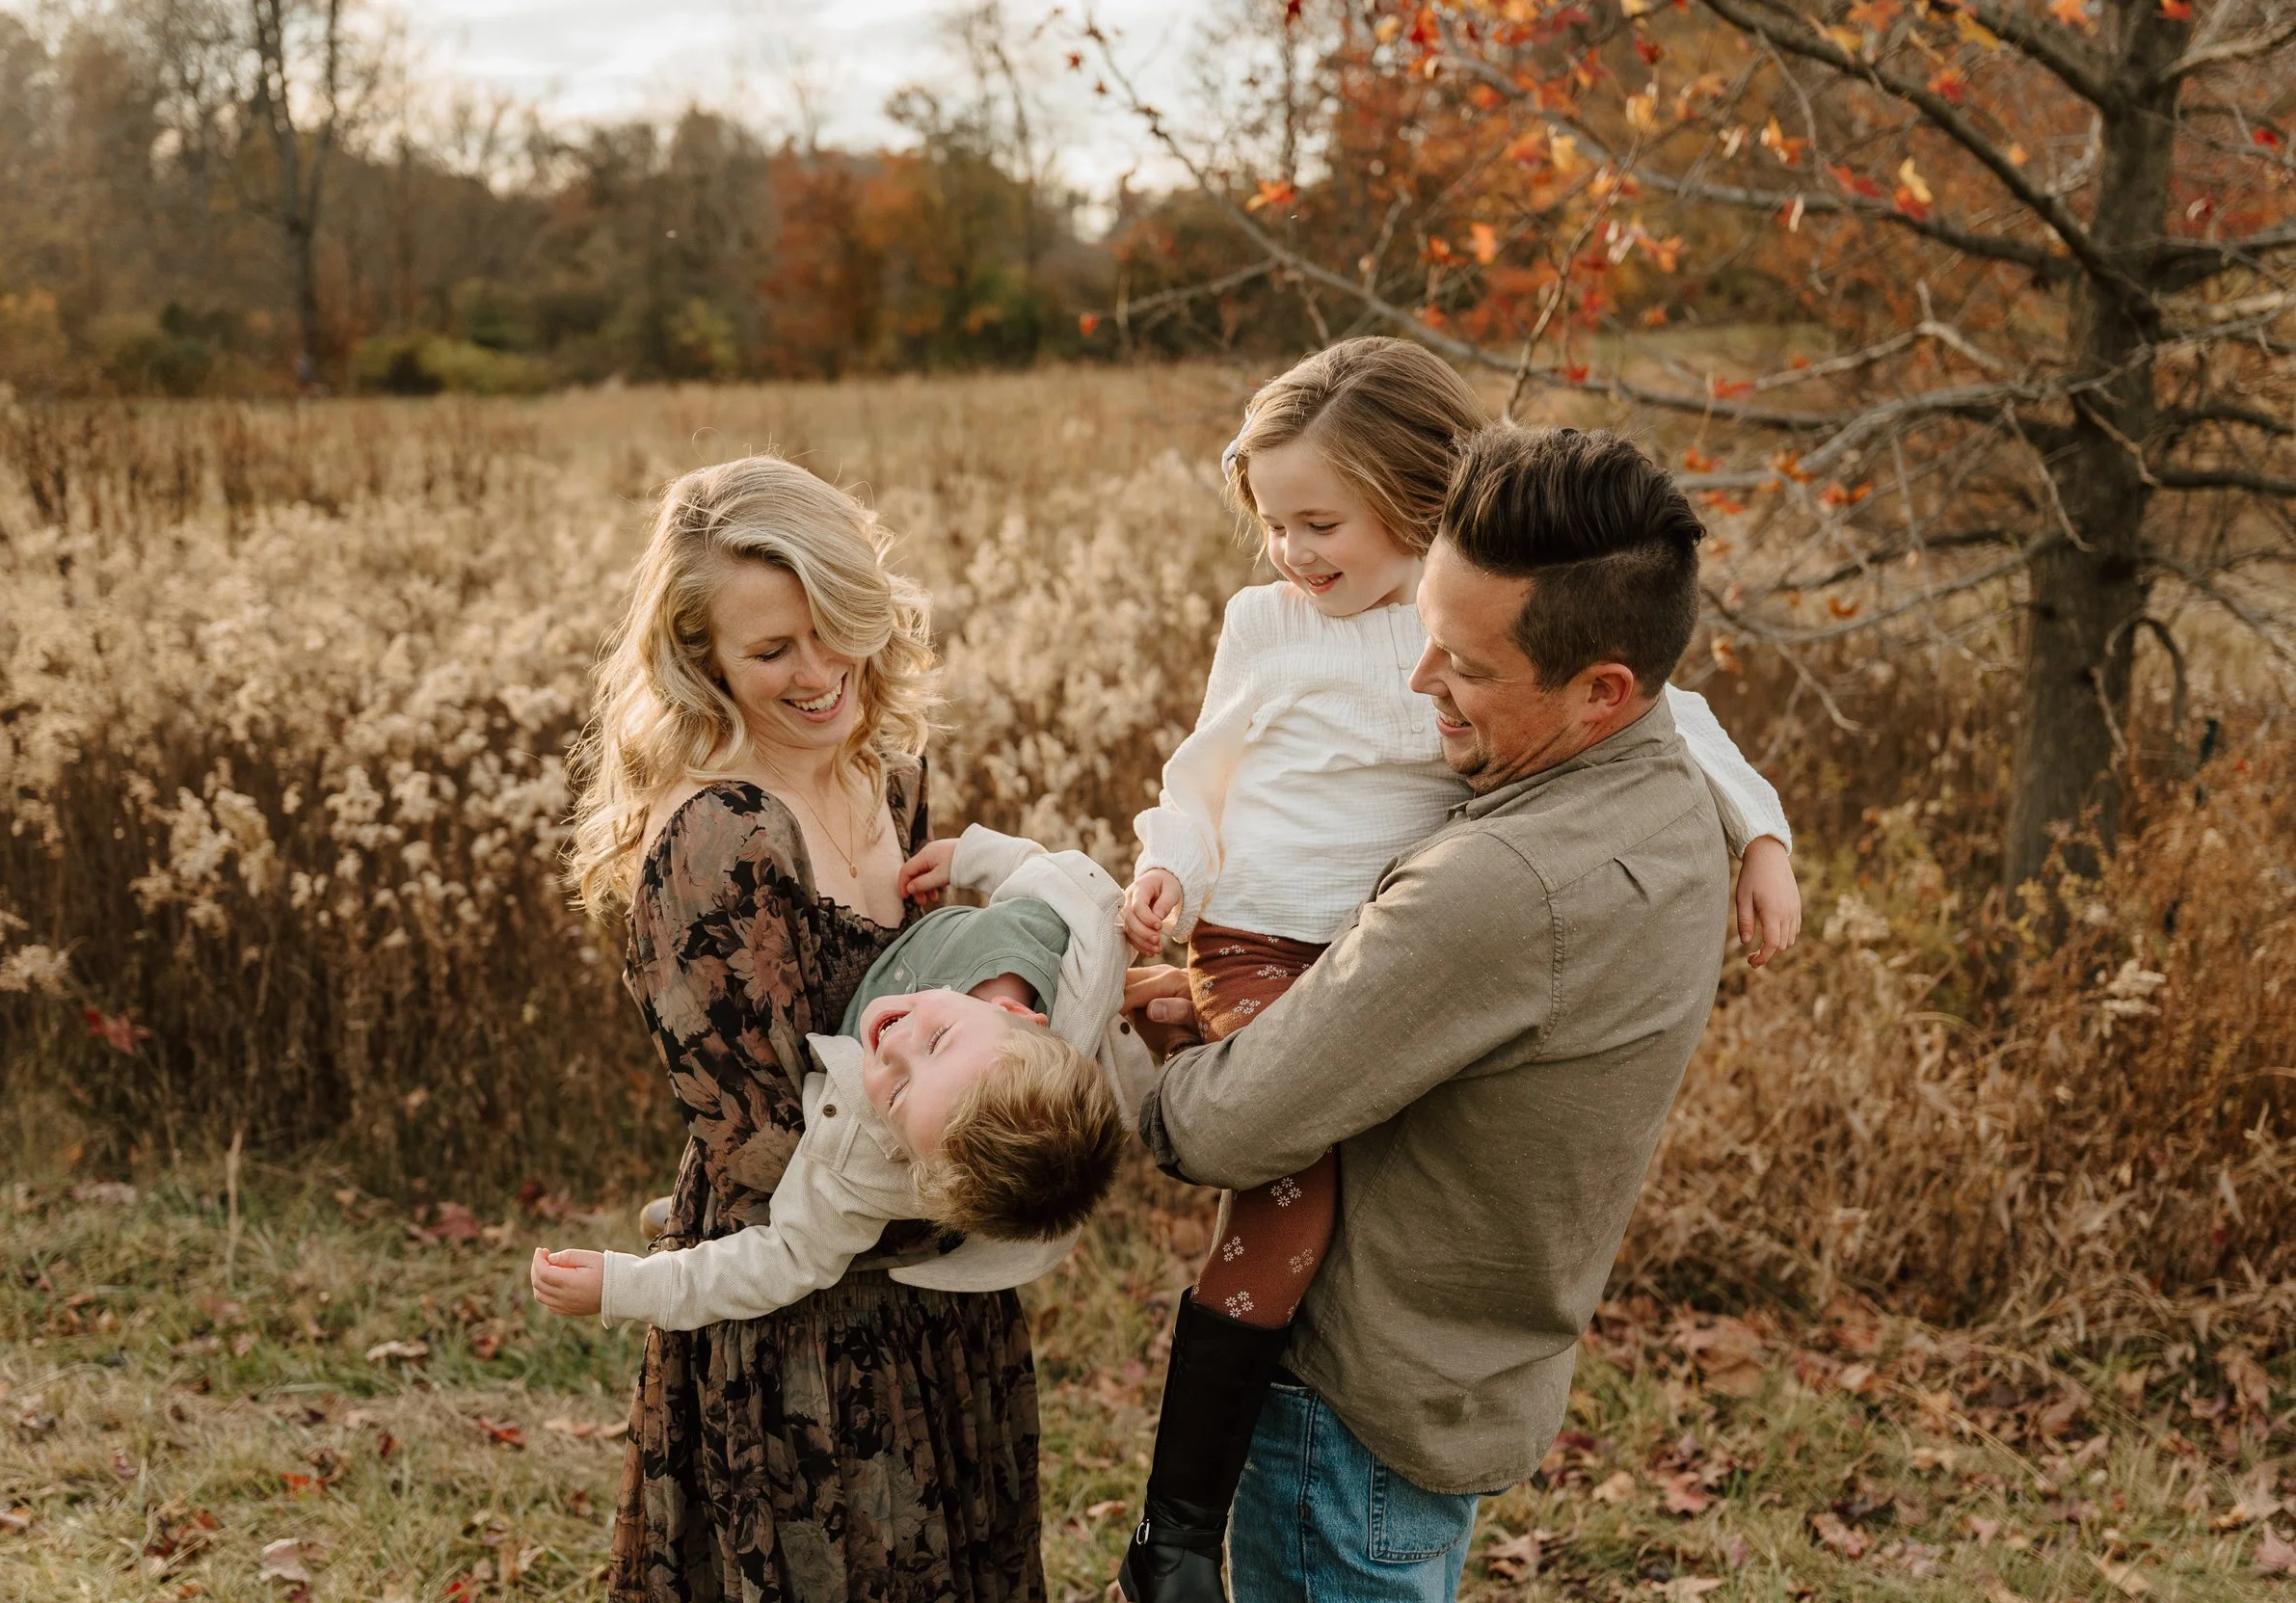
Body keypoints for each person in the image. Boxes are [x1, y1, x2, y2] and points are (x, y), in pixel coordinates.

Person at [1111, 339, 1800, 1603]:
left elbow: (1231, 1124)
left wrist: (1134, 1041)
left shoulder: (1496, 883)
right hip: (1472, 1367)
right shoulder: (1648, 797)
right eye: (1426, 637)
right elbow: (1207, 774)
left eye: (1466, 666)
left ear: (1605, 688)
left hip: (1352, 1419)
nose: (1420, 679)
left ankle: (1171, 1522)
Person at [567, 455, 1044, 1603]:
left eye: (836, 627)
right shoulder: (721, 838)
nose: (821, 672)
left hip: (943, 1300)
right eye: (772, 650)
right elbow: (763, 1152)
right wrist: (1001, 1167)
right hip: (810, 1329)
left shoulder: (885, 774)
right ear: (704, 662)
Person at [529, 822, 1144, 1328]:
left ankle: (715, 1202)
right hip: (985, 939)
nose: (896, 1044)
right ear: (1017, 1014)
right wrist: (972, 856)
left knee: (799, 1188)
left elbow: (781, 1259)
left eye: (898, 1093)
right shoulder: (1079, 952)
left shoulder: (865, 1158)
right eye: (938, 1038)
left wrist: (624, 1287)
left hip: (817, 1164)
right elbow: (1066, 879)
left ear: (906, 1156)